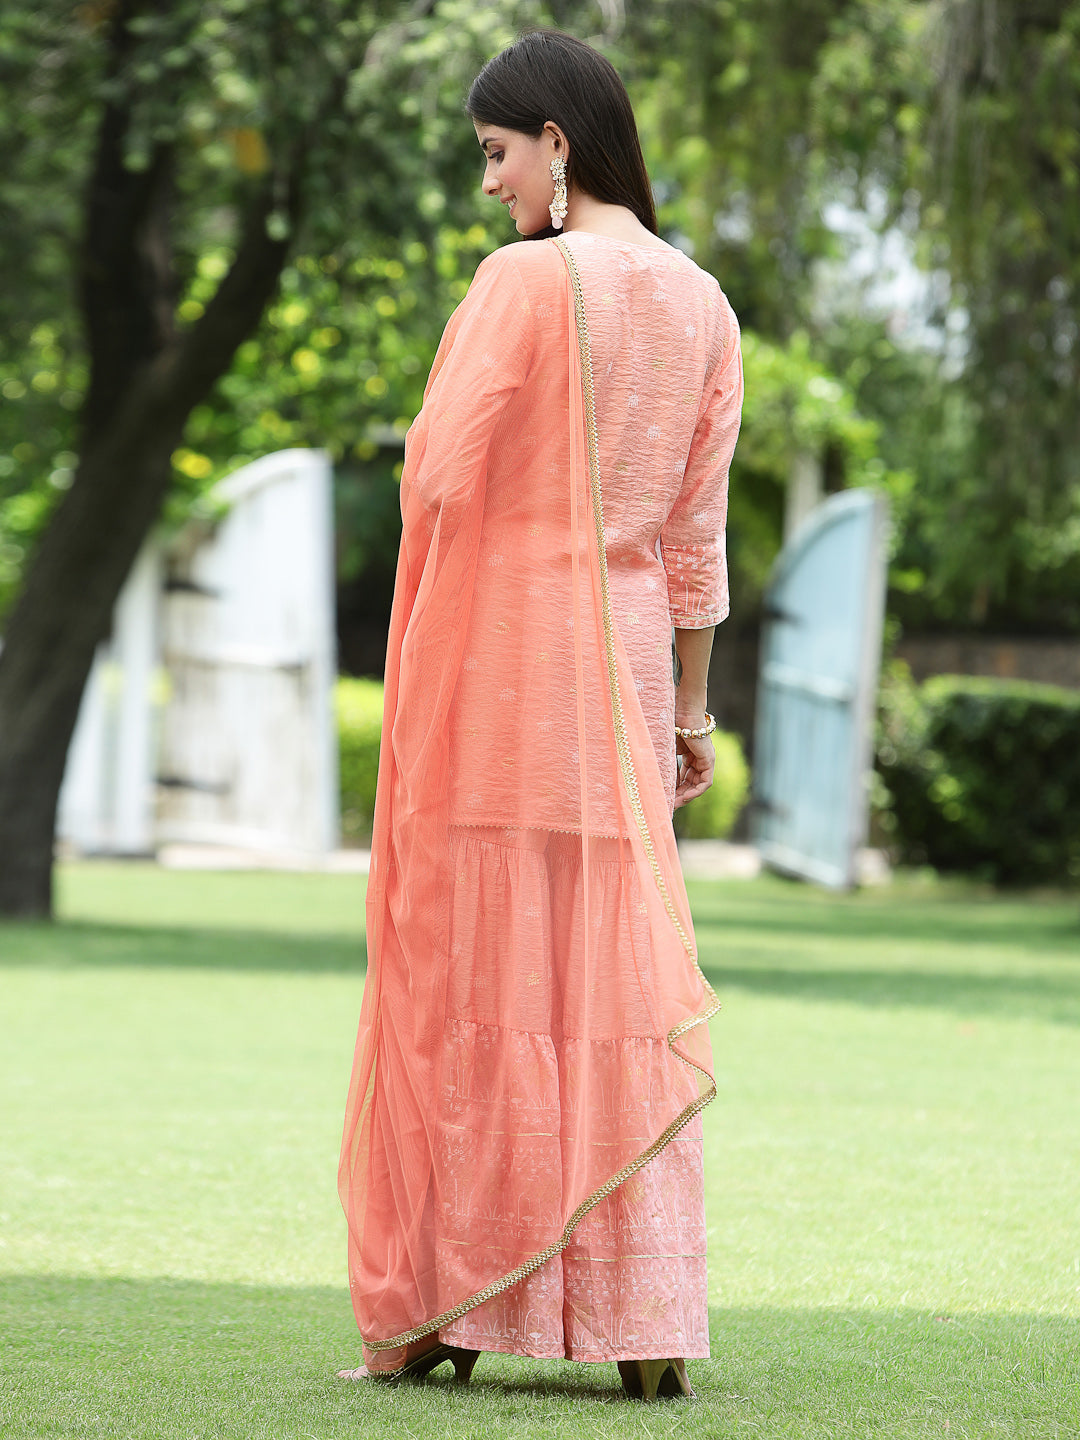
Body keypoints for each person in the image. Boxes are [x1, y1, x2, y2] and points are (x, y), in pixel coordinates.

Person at [338, 28, 742, 1403]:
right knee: (605, 975)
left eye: (497, 153)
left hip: (508, 662)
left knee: (481, 971)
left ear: (558, 143)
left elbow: (438, 476)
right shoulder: (703, 304)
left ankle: (452, 1305)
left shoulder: (522, 283)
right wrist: (690, 717)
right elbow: (695, 539)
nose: (490, 183)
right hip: (622, 676)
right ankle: (643, 1329)